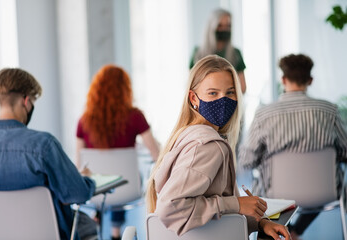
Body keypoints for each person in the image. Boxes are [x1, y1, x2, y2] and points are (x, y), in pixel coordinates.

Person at [146, 55, 290, 239]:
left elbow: (213, 213)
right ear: (194, 98)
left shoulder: (186, 135)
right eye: (213, 93)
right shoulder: (208, 147)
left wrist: (260, 223)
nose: (223, 101)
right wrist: (235, 204)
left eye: (230, 93)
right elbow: (169, 207)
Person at [239, 53, 347, 239]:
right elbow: (345, 151)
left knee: (261, 191)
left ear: (283, 79)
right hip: (325, 191)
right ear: (310, 80)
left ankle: (274, 231)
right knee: (330, 176)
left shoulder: (264, 115)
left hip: (276, 194)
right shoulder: (330, 111)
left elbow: (247, 161)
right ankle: (295, 232)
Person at [0, 68, 96, 240]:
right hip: (50, 235)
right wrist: (87, 180)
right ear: (26, 101)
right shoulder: (44, 145)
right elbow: (76, 194)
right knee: (87, 223)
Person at [76, 64, 160, 240]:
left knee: (103, 178)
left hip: (95, 191)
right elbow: (157, 155)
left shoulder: (84, 121)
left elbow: (80, 166)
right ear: (125, 90)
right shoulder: (135, 117)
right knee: (122, 178)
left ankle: (99, 219)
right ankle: (116, 232)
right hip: (128, 189)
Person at [189, 8, 247, 94]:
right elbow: (190, 85)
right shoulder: (198, 53)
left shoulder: (236, 53)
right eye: (220, 25)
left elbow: (242, 88)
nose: (224, 29)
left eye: (228, 26)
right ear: (212, 27)